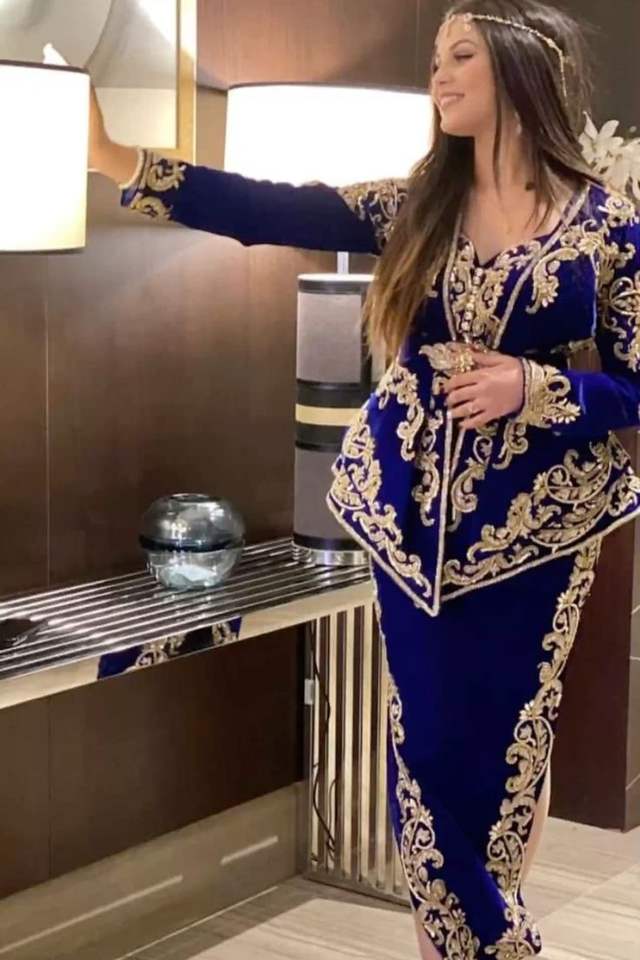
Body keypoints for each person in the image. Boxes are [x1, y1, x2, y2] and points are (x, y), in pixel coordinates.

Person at [90, 1, 640, 957]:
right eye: (436, 58)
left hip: (541, 531)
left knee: (510, 743)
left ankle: (476, 934)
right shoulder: (416, 204)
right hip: (411, 523)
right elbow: (269, 208)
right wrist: (118, 161)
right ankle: (483, 943)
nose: (439, 75)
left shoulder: (608, 226)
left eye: (460, 55)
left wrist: (537, 387)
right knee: (425, 748)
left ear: (521, 69)